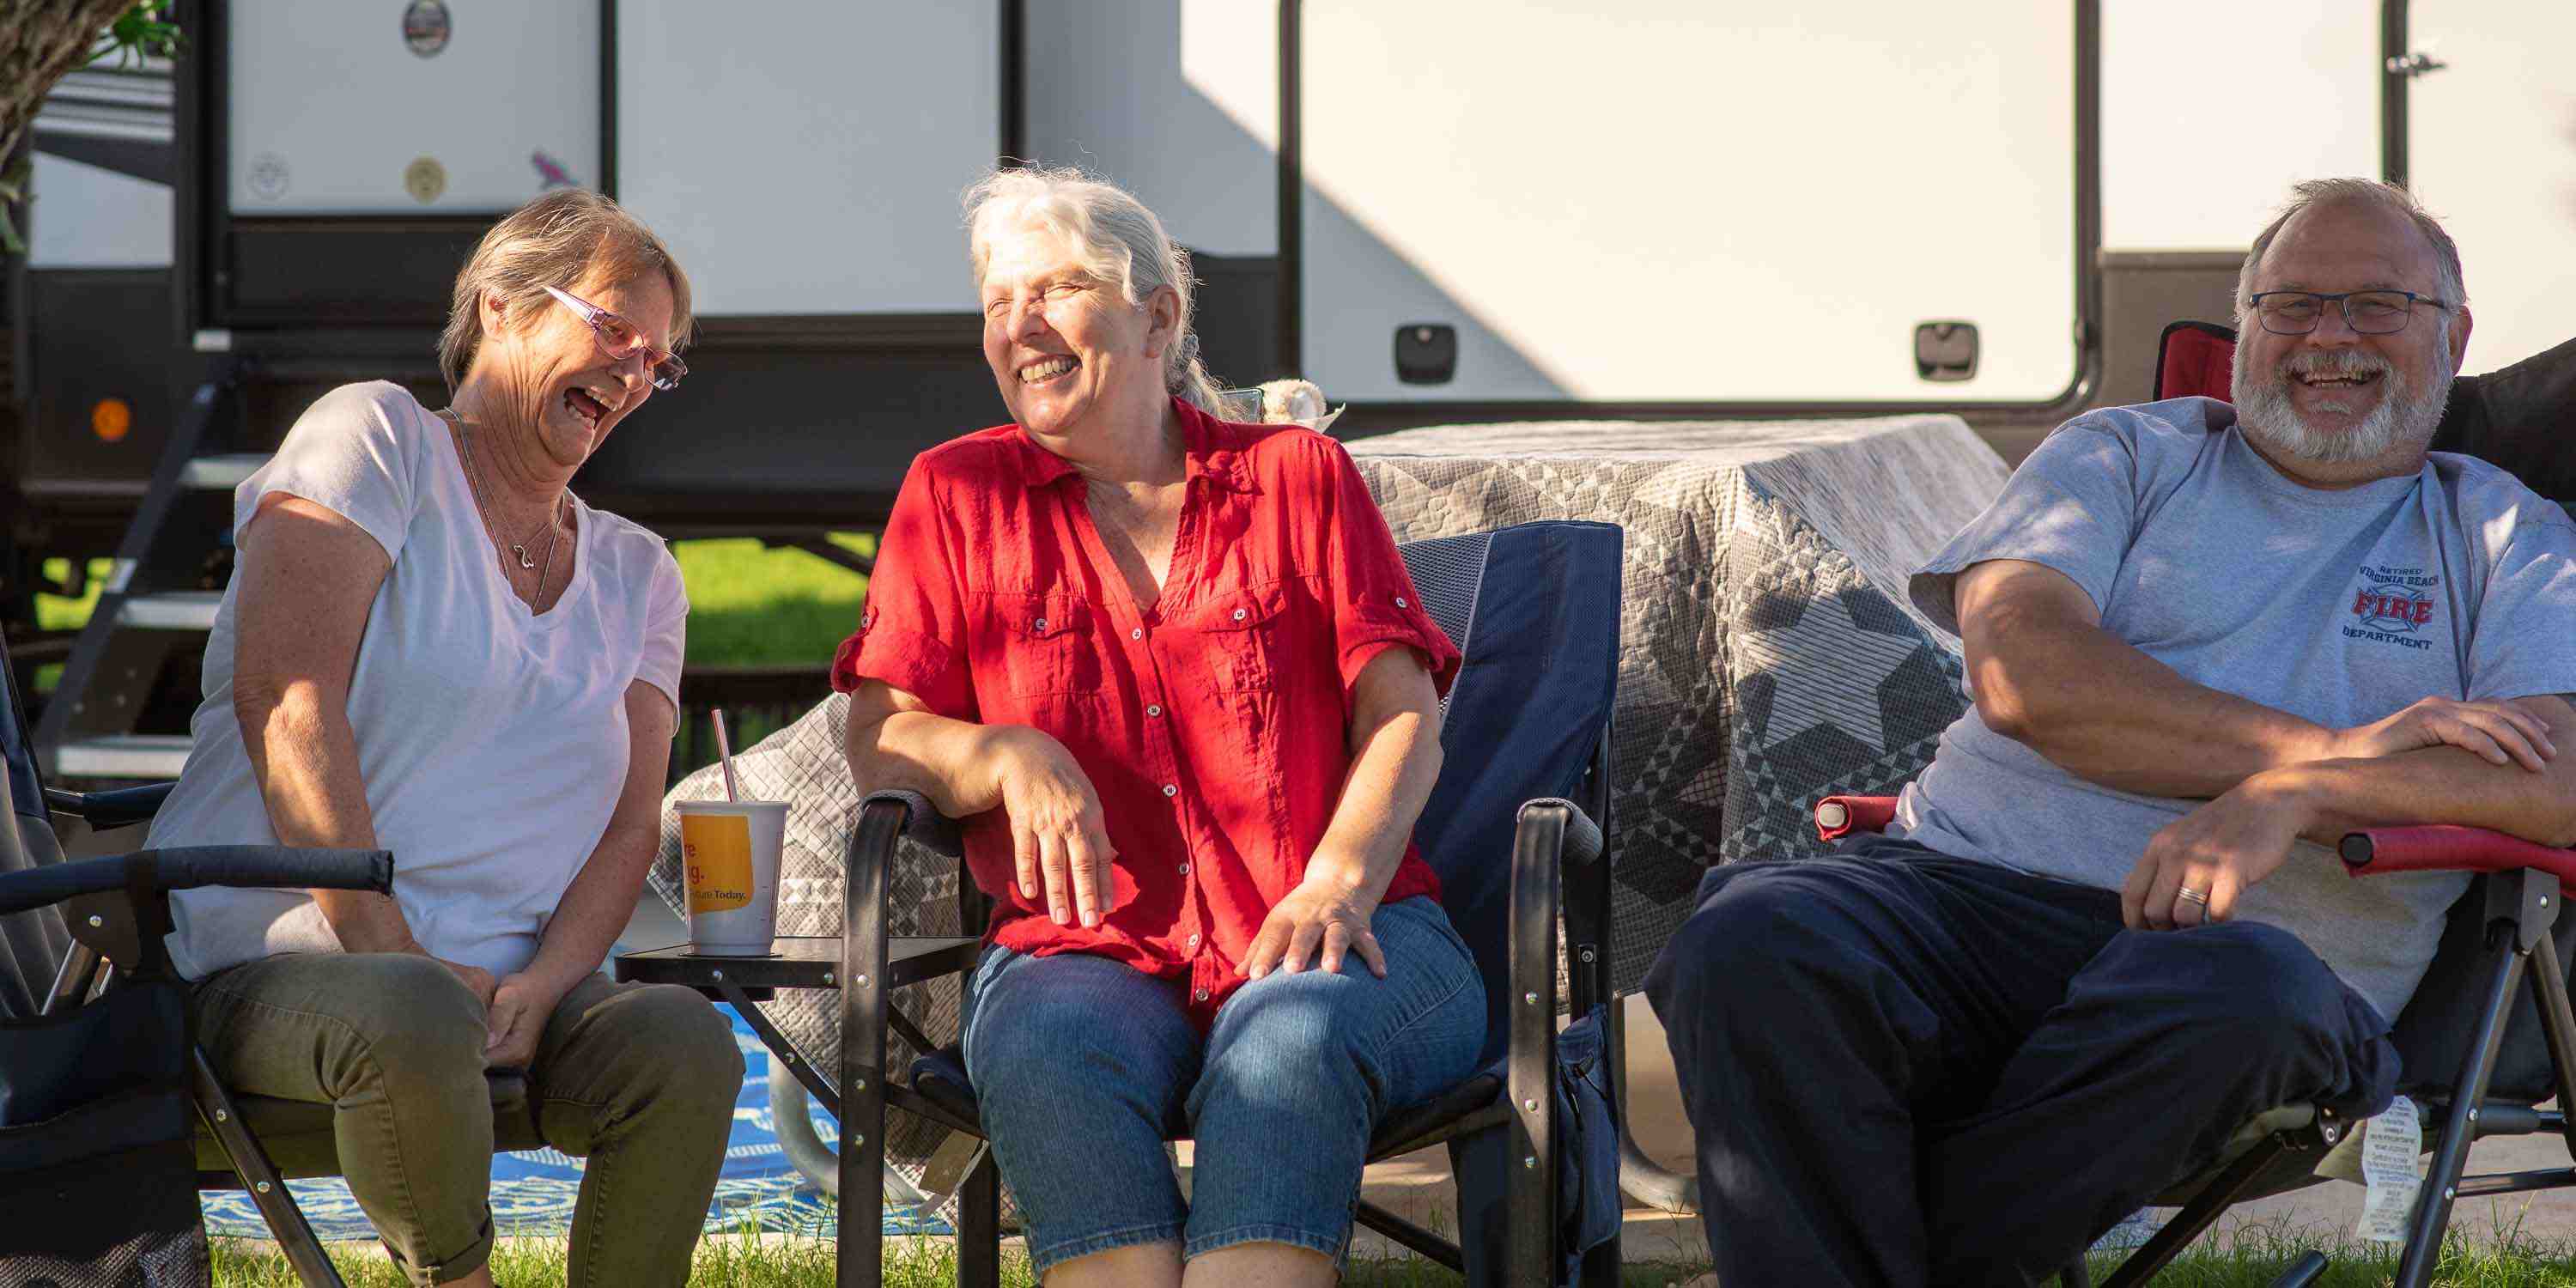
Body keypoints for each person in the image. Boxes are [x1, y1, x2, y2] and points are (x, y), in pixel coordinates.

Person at [1646, 176, 2576, 1286]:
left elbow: (2555, 780)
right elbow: (2032, 684)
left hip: (2254, 958)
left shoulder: (2504, 530)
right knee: (1755, 934)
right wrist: (2351, 749)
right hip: (1962, 891)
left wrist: (2301, 799)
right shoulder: (2121, 456)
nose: (2329, 338)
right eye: (2292, 305)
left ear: (2456, 335)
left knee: (2244, 1005)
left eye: (2378, 305)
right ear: (2244, 325)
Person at [836, 167, 1482, 1288]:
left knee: (1290, 1041)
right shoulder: (955, 495)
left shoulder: (1296, 478)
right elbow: (880, 730)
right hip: (1084, 951)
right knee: (1044, 1047)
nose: (1021, 324)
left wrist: (1336, 879)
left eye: (1061, 287)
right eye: (998, 301)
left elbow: (1404, 716)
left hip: (1345, 932)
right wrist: (1000, 751)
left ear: (1160, 315)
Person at [148, 189, 743, 1288]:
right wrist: (398, 956)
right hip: (281, 967)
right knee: (413, 1009)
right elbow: (286, 705)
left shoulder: (638, 572)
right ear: (504, 306)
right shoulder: (375, 439)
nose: (633, 374)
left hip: (514, 996)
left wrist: (549, 984)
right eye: (613, 329)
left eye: (658, 361)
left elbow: (628, 829)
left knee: (681, 1041)